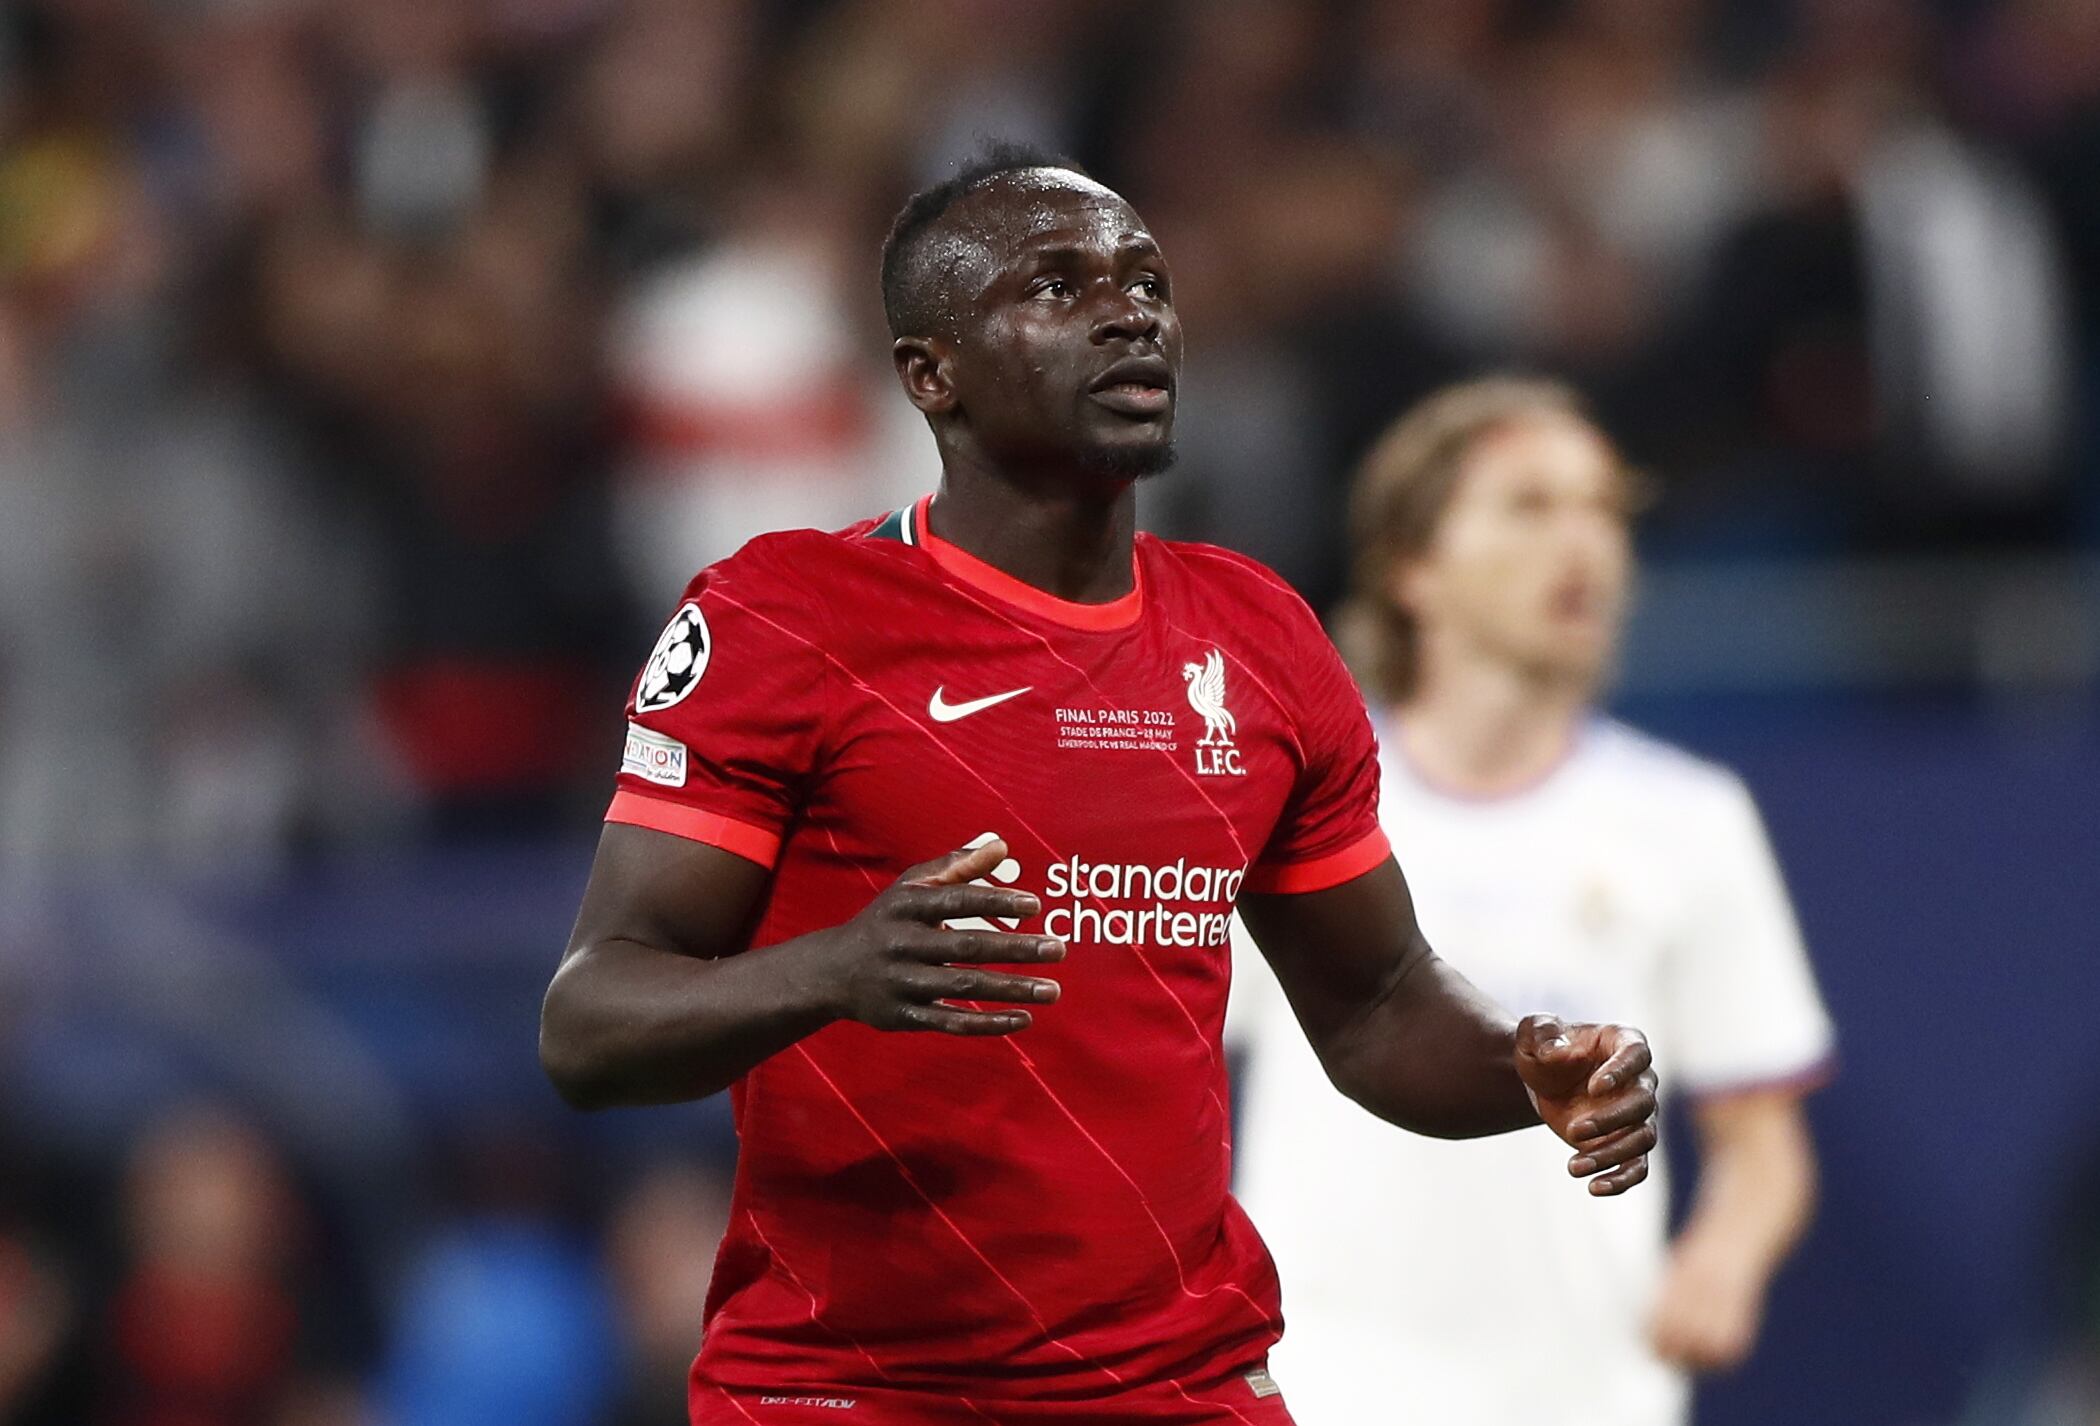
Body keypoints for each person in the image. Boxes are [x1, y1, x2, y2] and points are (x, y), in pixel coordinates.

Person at [539, 150, 1662, 1426]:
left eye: (1145, 281)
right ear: (931, 374)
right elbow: (589, 1024)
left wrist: (1525, 1064)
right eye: (1058, 286)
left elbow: (1379, 1004)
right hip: (849, 1392)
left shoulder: (1259, 639)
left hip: (1178, 1388)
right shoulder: (785, 620)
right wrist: (834, 971)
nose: (1130, 312)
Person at [1230, 376, 1836, 1426]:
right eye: (1530, 505)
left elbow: (1761, 1140)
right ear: (1412, 565)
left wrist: (1725, 1259)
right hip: (1321, 1387)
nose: (1586, 544)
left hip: (1591, 1397)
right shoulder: (1285, 804)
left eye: (1603, 509)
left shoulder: (1689, 819)